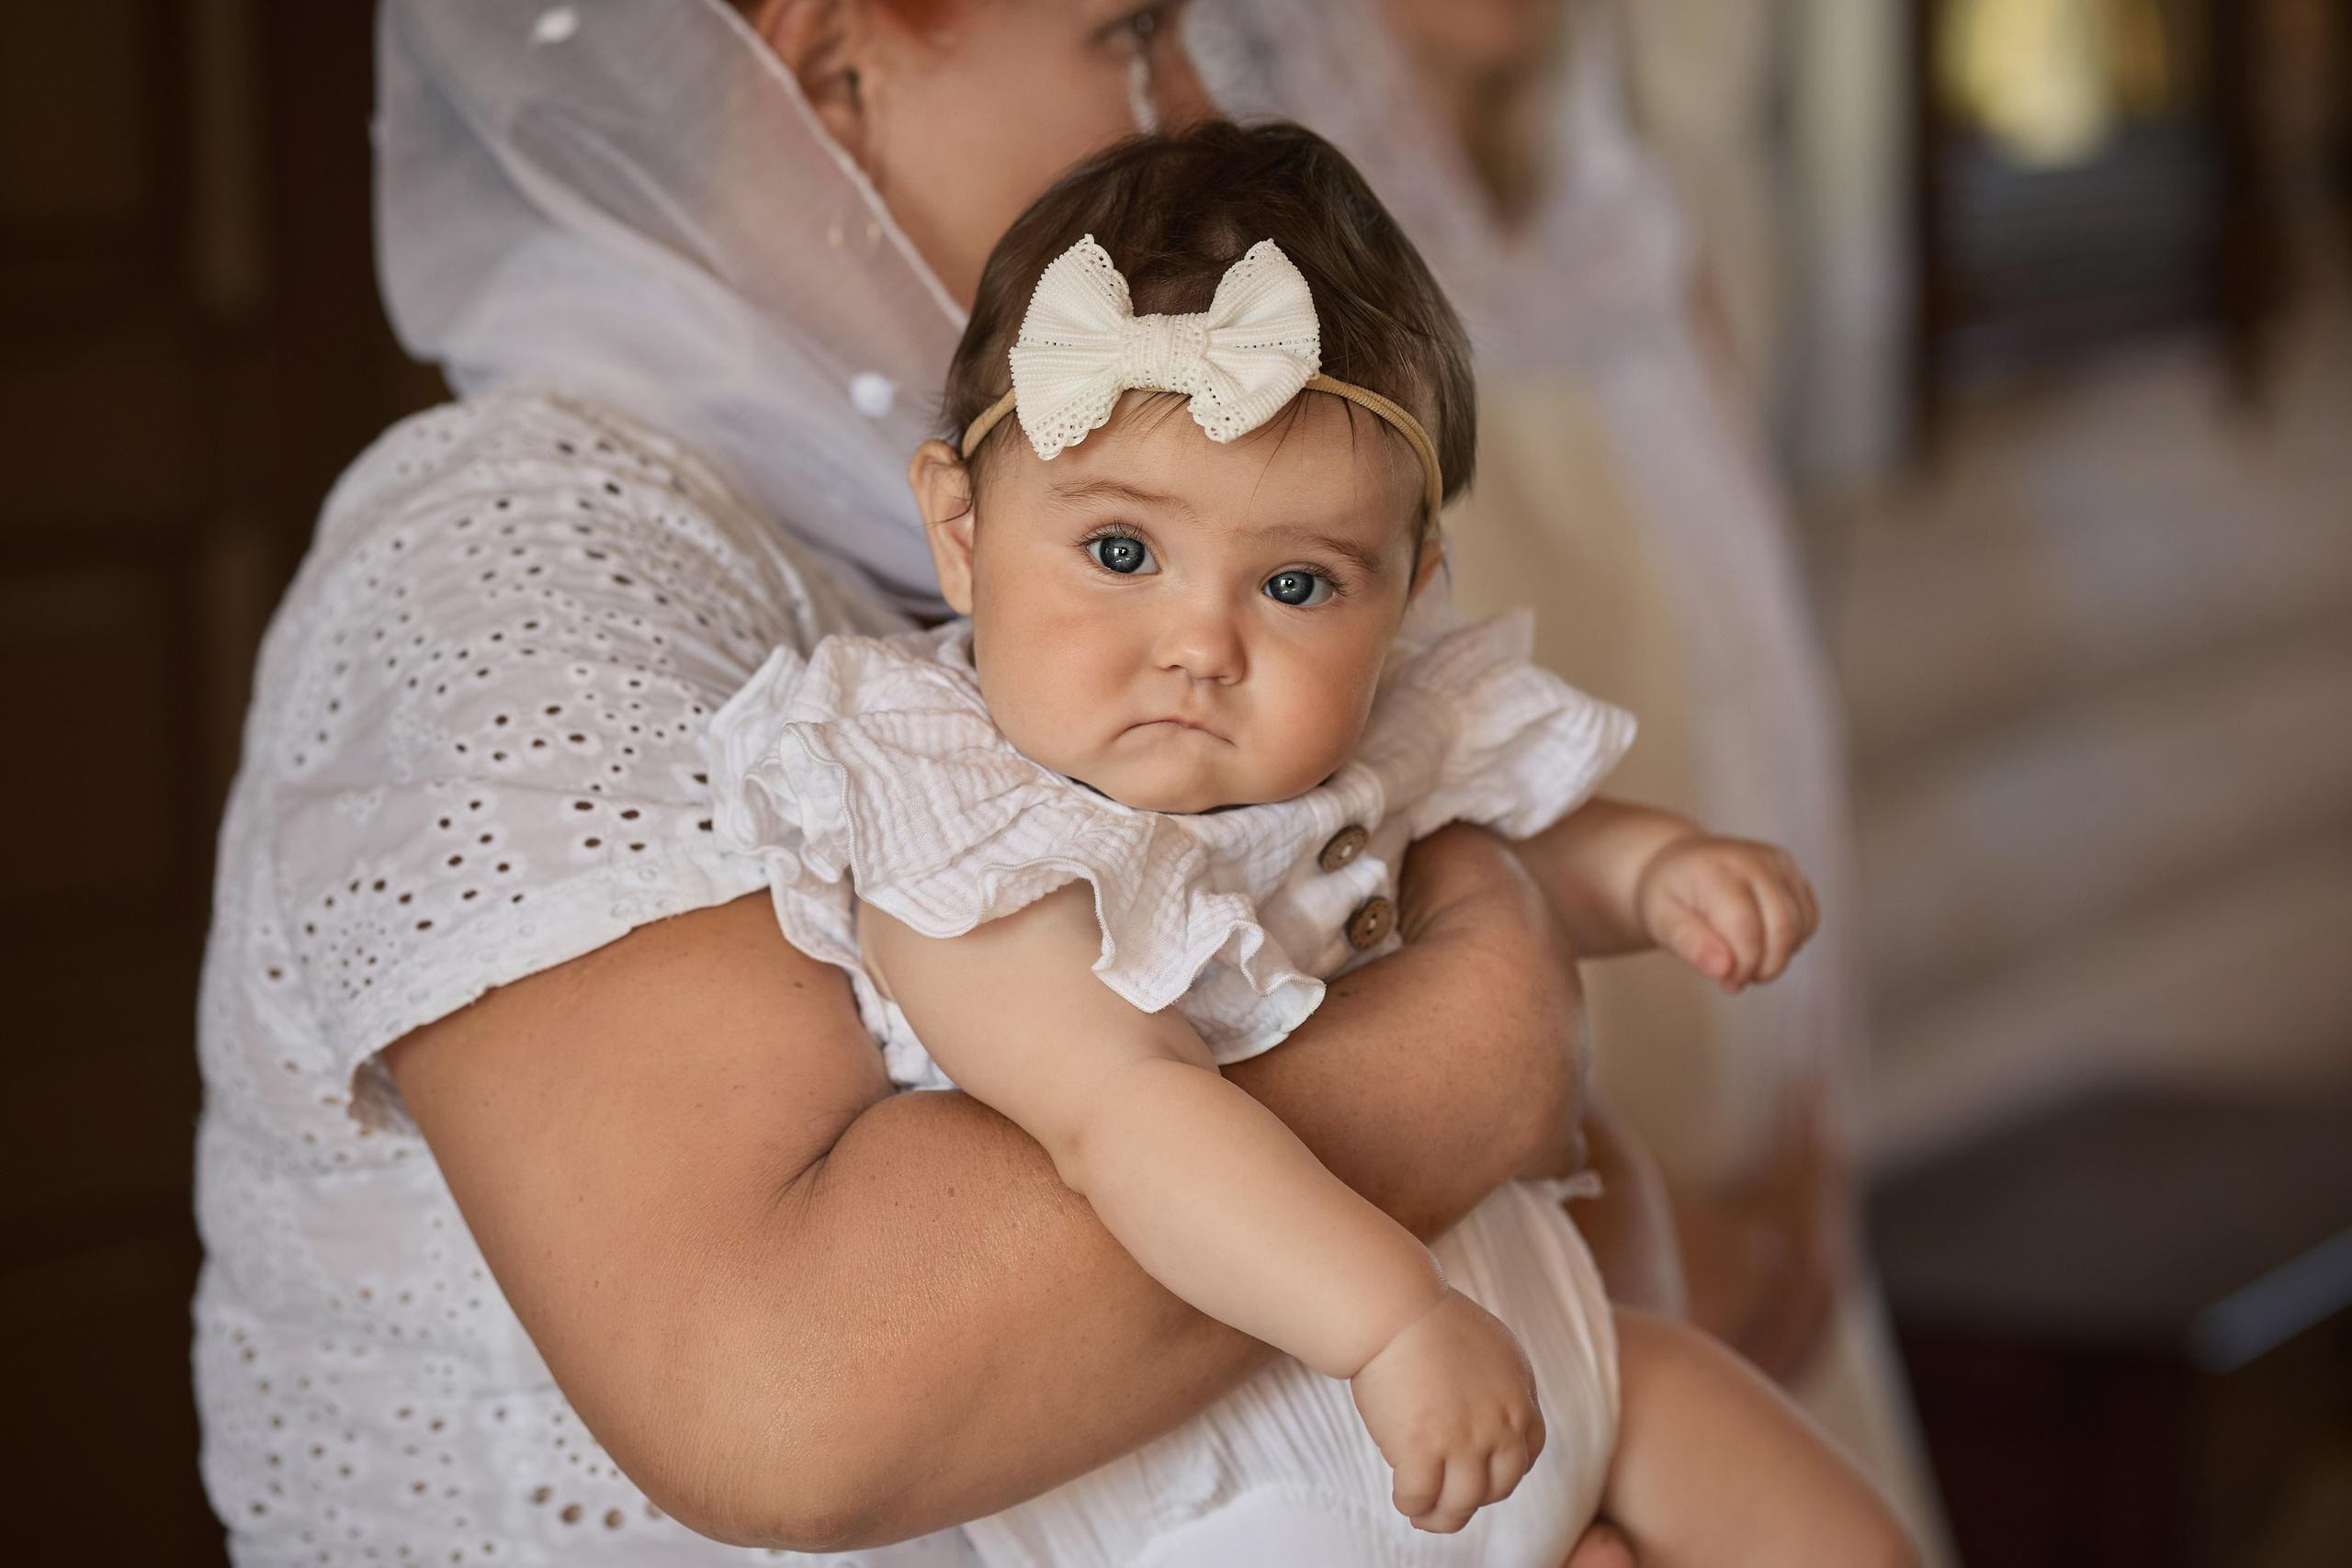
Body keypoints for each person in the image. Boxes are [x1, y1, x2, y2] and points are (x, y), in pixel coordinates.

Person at [192, 4, 1659, 1562]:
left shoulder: (1096, 533)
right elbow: (784, 1402)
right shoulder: (511, 557)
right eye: (1132, 34)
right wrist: (1484, 1030)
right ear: (837, 63)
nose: (1193, 98)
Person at [704, 120, 1914, 1568]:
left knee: (1820, 1515)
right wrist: (1389, 1319)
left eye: (1294, 583)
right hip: (1250, 1482)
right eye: (1122, 553)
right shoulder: (961, 822)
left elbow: (1517, 846)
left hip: (1556, 1371)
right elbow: (1125, 1121)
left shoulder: (1368, 737)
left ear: (1407, 590)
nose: (1203, 646)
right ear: (961, 534)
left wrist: (1654, 874)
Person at [1189, 0, 1954, 1554]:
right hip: (1545, 1217)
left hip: (1752, 1118)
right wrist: (1643, 1225)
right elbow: (1309, 813)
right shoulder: (1260, 262)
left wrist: (1813, 1134)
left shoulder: (1638, 224)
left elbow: (1767, 692)